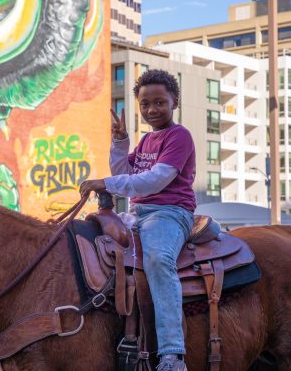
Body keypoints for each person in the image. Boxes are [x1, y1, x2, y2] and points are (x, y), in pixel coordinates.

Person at [80, 69, 196, 371]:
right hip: (138, 214)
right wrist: (120, 142)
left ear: (174, 102)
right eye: (145, 104)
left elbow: (154, 181)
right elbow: (126, 174)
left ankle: (173, 353)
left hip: (170, 212)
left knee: (158, 259)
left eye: (159, 102)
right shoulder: (146, 141)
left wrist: (104, 183)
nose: (151, 110)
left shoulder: (179, 136)